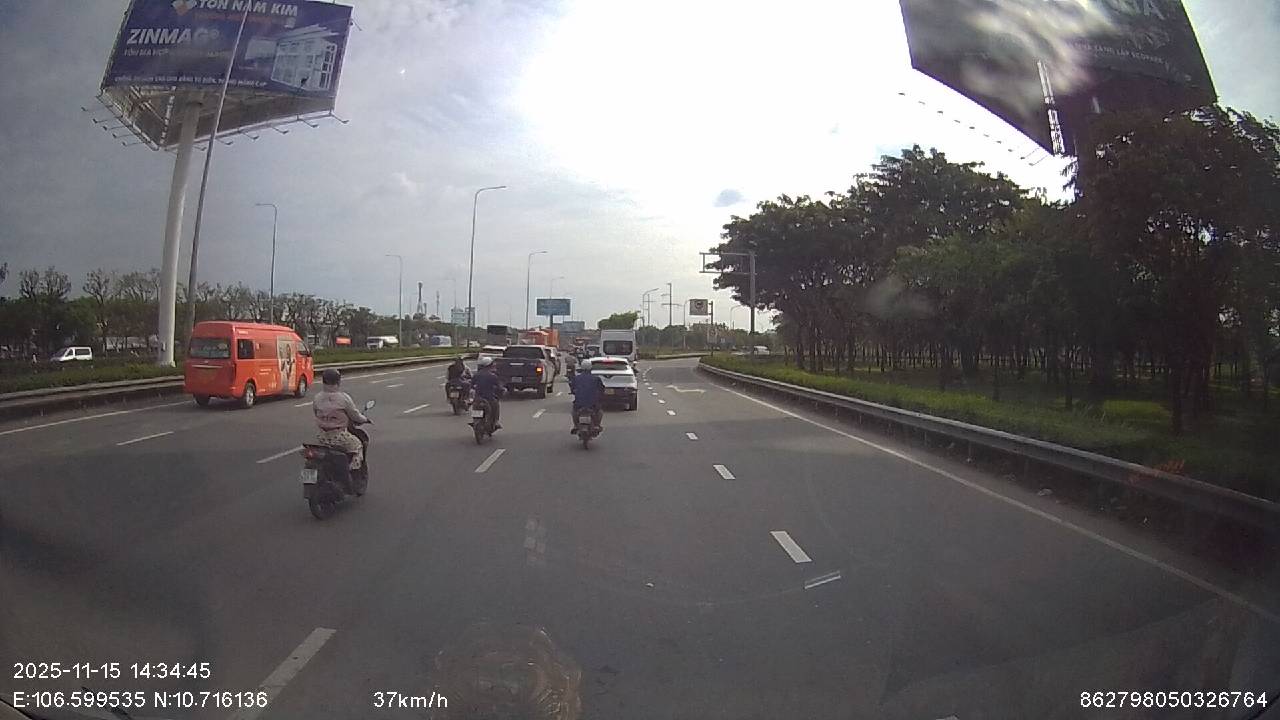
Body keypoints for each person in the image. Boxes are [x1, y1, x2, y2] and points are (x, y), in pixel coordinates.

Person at [312, 368, 370, 469]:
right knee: (358, 445)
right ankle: (353, 471)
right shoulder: (344, 398)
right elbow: (355, 415)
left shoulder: (317, 398)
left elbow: (316, 413)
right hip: (339, 436)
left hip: (321, 436)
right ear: (338, 382)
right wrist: (365, 419)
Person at [568, 359, 605, 435]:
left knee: (574, 411)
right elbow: (601, 389)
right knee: (600, 412)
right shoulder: (596, 378)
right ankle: (597, 425)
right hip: (593, 403)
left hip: (579, 403)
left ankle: (575, 425)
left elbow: (572, 387)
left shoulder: (577, 378)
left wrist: (574, 392)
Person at [471, 355, 504, 430]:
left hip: (478, 397)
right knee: (496, 405)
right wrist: (502, 390)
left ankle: (475, 420)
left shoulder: (477, 375)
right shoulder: (493, 376)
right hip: (489, 398)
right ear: (490, 365)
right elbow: (499, 387)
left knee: (475, 406)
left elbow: (471, 385)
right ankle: (496, 422)